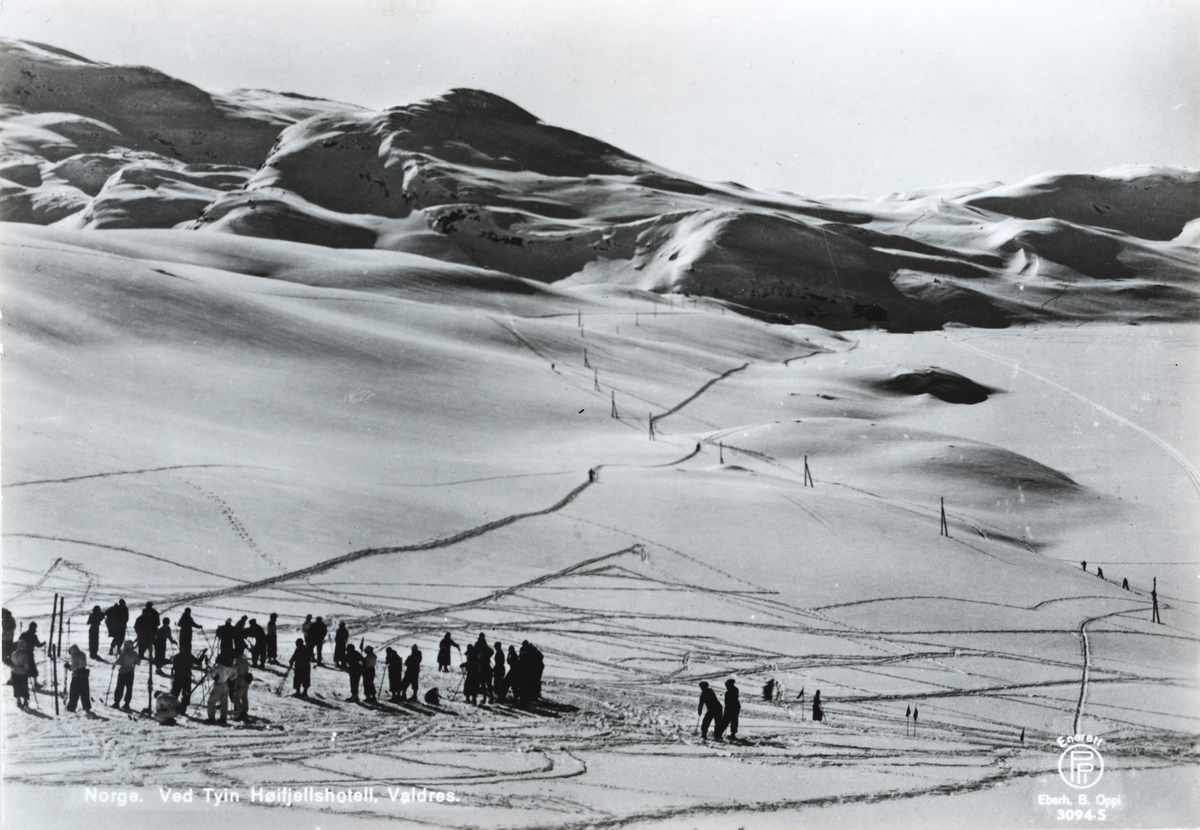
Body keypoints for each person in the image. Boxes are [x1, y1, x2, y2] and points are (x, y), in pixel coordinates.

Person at [205, 656, 237, 725]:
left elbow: (210, 673)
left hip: (218, 685)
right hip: (225, 685)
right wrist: (230, 679)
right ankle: (223, 718)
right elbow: (235, 674)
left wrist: (214, 677)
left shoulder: (219, 667)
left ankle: (211, 718)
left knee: (211, 702)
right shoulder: (230, 668)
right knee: (224, 702)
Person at [64, 644, 92, 714]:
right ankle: (86, 706)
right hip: (84, 674)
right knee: (84, 692)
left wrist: (69, 667)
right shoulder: (82, 654)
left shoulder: (75, 656)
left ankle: (71, 707)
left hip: (77, 676)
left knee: (74, 692)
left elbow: (75, 667)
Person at [113, 640, 139, 711]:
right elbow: (138, 662)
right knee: (129, 688)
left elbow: (119, 662)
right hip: (131, 672)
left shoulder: (124, 653)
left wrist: (114, 664)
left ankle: (117, 702)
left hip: (123, 672)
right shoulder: (134, 653)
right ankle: (127, 703)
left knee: (120, 687)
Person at [10, 639, 33, 708]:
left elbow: (11, 662)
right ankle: (25, 701)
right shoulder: (24, 654)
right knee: (24, 686)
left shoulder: (14, 653)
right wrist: (28, 669)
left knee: (16, 686)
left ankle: (18, 701)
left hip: (15, 672)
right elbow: (26, 664)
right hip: (23, 672)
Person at [230, 649, 251, 721]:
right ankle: (245, 711)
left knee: (236, 698)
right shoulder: (245, 658)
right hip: (246, 679)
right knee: (244, 697)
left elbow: (233, 669)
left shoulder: (237, 660)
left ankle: (242, 713)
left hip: (240, 679)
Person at [474, 634, 492, 703]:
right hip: (487, 666)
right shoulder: (484, 644)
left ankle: (484, 698)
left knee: (483, 683)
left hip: (481, 667)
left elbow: (474, 652)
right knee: (488, 683)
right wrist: (488, 657)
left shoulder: (478, 644)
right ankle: (491, 697)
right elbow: (491, 651)